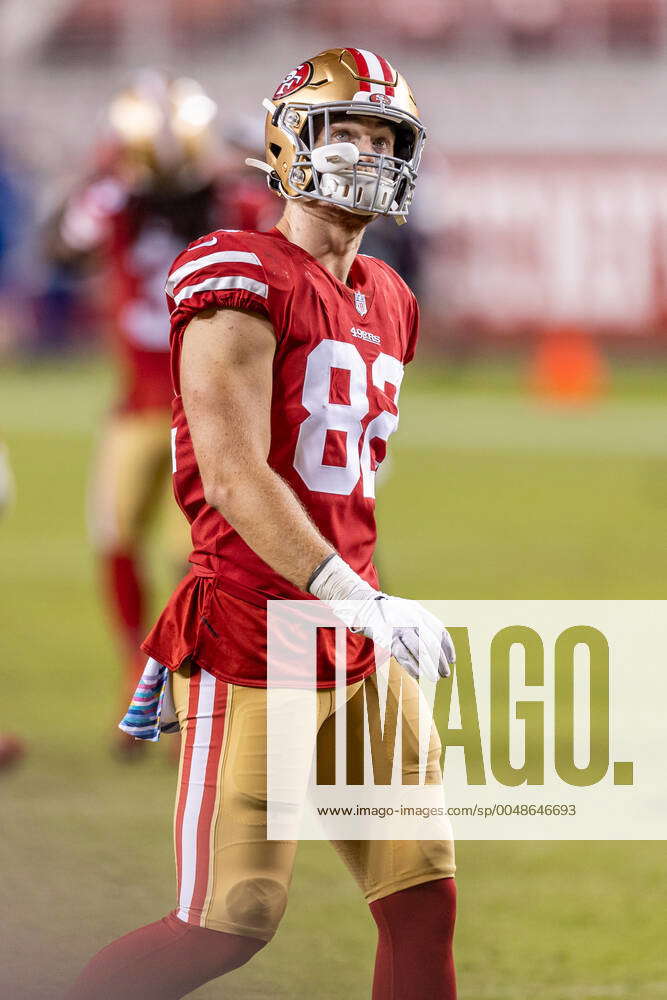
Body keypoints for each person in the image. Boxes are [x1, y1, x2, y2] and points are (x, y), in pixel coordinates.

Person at [67, 48, 457, 998]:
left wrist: (368, 607)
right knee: (228, 920)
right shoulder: (237, 269)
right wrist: (357, 598)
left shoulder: (390, 298)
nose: (366, 152)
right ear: (288, 142)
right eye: (344, 130)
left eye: (383, 135)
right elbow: (237, 476)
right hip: (253, 632)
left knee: (422, 898)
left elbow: (347, 479)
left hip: (355, 639)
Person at [49, 72, 274, 753]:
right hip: (138, 401)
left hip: (207, 409)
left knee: (197, 558)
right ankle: (137, 671)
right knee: (115, 535)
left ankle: (170, 679)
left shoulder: (231, 202)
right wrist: (107, 176)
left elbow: (274, 235)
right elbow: (61, 246)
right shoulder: (118, 201)